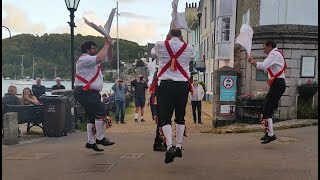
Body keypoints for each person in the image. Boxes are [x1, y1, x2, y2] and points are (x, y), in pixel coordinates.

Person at [149, 4, 195, 162]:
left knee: (164, 118)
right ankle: (179, 145)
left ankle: (169, 146)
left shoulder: (160, 45)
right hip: (182, 85)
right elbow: (189, 59)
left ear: (168, 35)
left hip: (166, 85)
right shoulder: (190, 48)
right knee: (180, 116)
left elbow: (153, 53)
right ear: (181, 35)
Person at [74, 37, 115, 152]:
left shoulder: (91, 59)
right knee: (101, 111)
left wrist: (110, 45)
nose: (96, 49)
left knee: (92, 117)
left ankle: (90, 142)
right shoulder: (84, 59)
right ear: (87, 49)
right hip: (85, 92)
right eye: (93, 48)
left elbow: (110, 57)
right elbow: (101, 57)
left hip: (90, 93)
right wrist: (106, 44)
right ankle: (100, 138)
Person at [248, 40, 287, 144]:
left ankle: (271, 135)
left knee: (267, 109)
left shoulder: (274, 53)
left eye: (264, 48)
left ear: (270, 46)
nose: (264, 51)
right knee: (264, 108)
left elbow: (263, 66)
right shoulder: (275, 54)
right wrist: (253, 63)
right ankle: (268, 132)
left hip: (278, 84)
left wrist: (252, 61)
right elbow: (264, 70)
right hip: (277, 84)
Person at [147, 68, 167, 152]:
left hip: (163, 107)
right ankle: (157, 144)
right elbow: (154, 102)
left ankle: (165, 143)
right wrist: (155, 114)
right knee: (160, 125)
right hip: (158, 108)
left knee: (165, 124)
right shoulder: (155, 89)